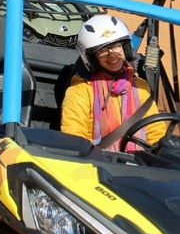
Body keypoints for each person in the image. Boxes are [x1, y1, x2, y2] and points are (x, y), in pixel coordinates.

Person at [61, 14, 166, 152]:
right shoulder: (80, 91)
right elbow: (73, 138)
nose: (112, 54)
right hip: (96, 165)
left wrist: (162, 152)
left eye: (116, 46)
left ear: (126, 48)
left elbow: (156, 132)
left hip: (139, 165)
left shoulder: (140, 86)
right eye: (103, 50)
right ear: (92, 58)